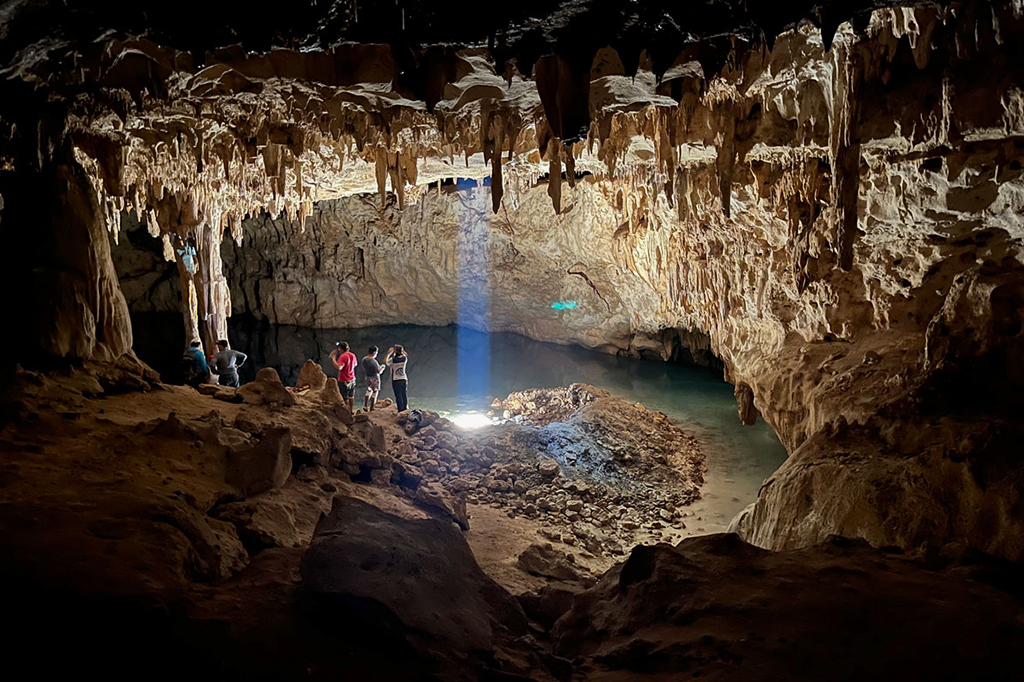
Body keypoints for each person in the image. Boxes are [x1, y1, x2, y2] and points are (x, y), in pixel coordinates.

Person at [330, 341, 358, 412]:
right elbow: (355, 364)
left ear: (340, 349)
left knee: (344, 398)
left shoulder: (343, 356)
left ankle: (346, 413)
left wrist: (333, 358)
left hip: (344, 380)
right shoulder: (352, 355)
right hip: (352, 379)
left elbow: (339, 367)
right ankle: (351, 410)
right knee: (351, 396)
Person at [384, 344, 409, 412]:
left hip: (396, 379)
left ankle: (400, 410)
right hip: (404, 378)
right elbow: (405, 354)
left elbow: (386, 362)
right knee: (404, 394)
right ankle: (405, 408)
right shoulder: (404, 358)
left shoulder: (393, 360)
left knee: (398, 395)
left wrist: (389, 353)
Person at [361, 345, 386, 412]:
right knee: (375, 391)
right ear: (374, 352)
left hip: (367, 377)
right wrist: (383, 367)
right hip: (375, 378)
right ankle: (372, 407)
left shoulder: (364, 359)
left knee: (369, 390)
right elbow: (378, 371)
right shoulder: (373, 361)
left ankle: (365, 405)